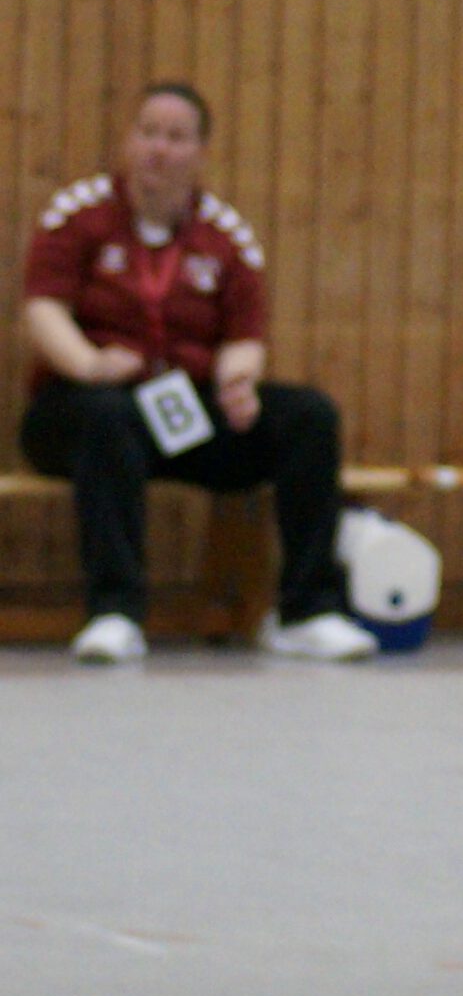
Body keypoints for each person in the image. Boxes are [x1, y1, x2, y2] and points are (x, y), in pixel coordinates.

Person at [18, 81, 374, 663]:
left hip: (182, 413)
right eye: (147, 133)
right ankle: (115, 612)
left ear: (201, 152)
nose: (158, 148)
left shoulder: (225, 235)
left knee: (308, 417)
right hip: (83, 408)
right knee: (108, 416)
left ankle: (309, 611)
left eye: (175, 137)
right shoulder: (78, 215)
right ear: (129, 141)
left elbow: (244, 336)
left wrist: (238, 382)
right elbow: (43, 310)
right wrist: (90, 364)